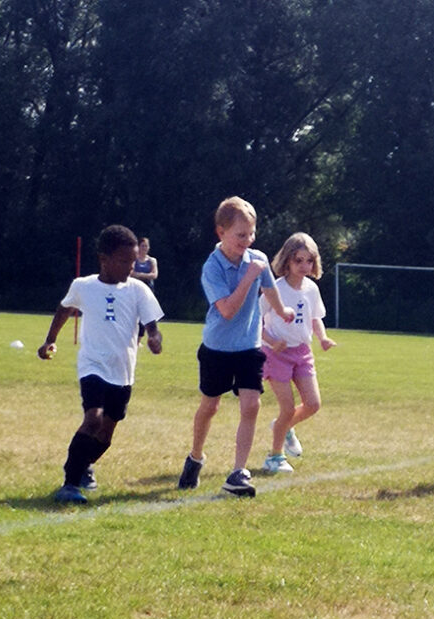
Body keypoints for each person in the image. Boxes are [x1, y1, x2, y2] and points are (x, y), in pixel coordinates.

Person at [179, 197, 296, 497]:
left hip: (248, 347)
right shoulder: (212, 267)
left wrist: (281, 311)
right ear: (221, 233)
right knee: (210, 406)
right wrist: (249, 277)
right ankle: (195, 457)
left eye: (251, 234)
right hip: (217, 348)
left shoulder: (256, 258)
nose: (248, 241)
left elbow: (269, 288)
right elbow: (228, 310)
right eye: (241, 235)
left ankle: (237, 473)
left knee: (252, 404)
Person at [39, 225, 164, 504]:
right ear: (104, 259)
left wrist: (155, 339)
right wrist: (49, 340)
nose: (130, 267)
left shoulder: (138, 291)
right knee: (93, 418)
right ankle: (70, 483)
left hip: (122, 372)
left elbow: (152, 326)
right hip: (93, 365)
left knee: (106, 435)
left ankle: (83, 465)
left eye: (133, 262)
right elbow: (64, 309)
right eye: (124, 261)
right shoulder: (83, 286)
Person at [260, 232, 337, 474]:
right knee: (287, 407)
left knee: (313, 404)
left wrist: (322, 338)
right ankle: (274, 457)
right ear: (287, 261)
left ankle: (283, 427)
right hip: (276, 355)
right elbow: (255, 321)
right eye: (298, 260)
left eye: (309, 261)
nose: (304, 266)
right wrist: (272, 340)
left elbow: (316, 318)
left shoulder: (312, 289)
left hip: (302, 353)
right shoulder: (276, 289)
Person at [131, 237, 159, 340]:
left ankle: (141, 338)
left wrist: (140, 275)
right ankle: (133, 336)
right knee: (134, 314)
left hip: (148, 290)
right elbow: (131, 273)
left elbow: (154, 275)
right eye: (142, 246)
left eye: (146, 246)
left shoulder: (152, 260)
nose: (144, 248)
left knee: (146, 314)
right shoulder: (134, 260)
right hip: (135, 289)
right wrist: (145, 275)